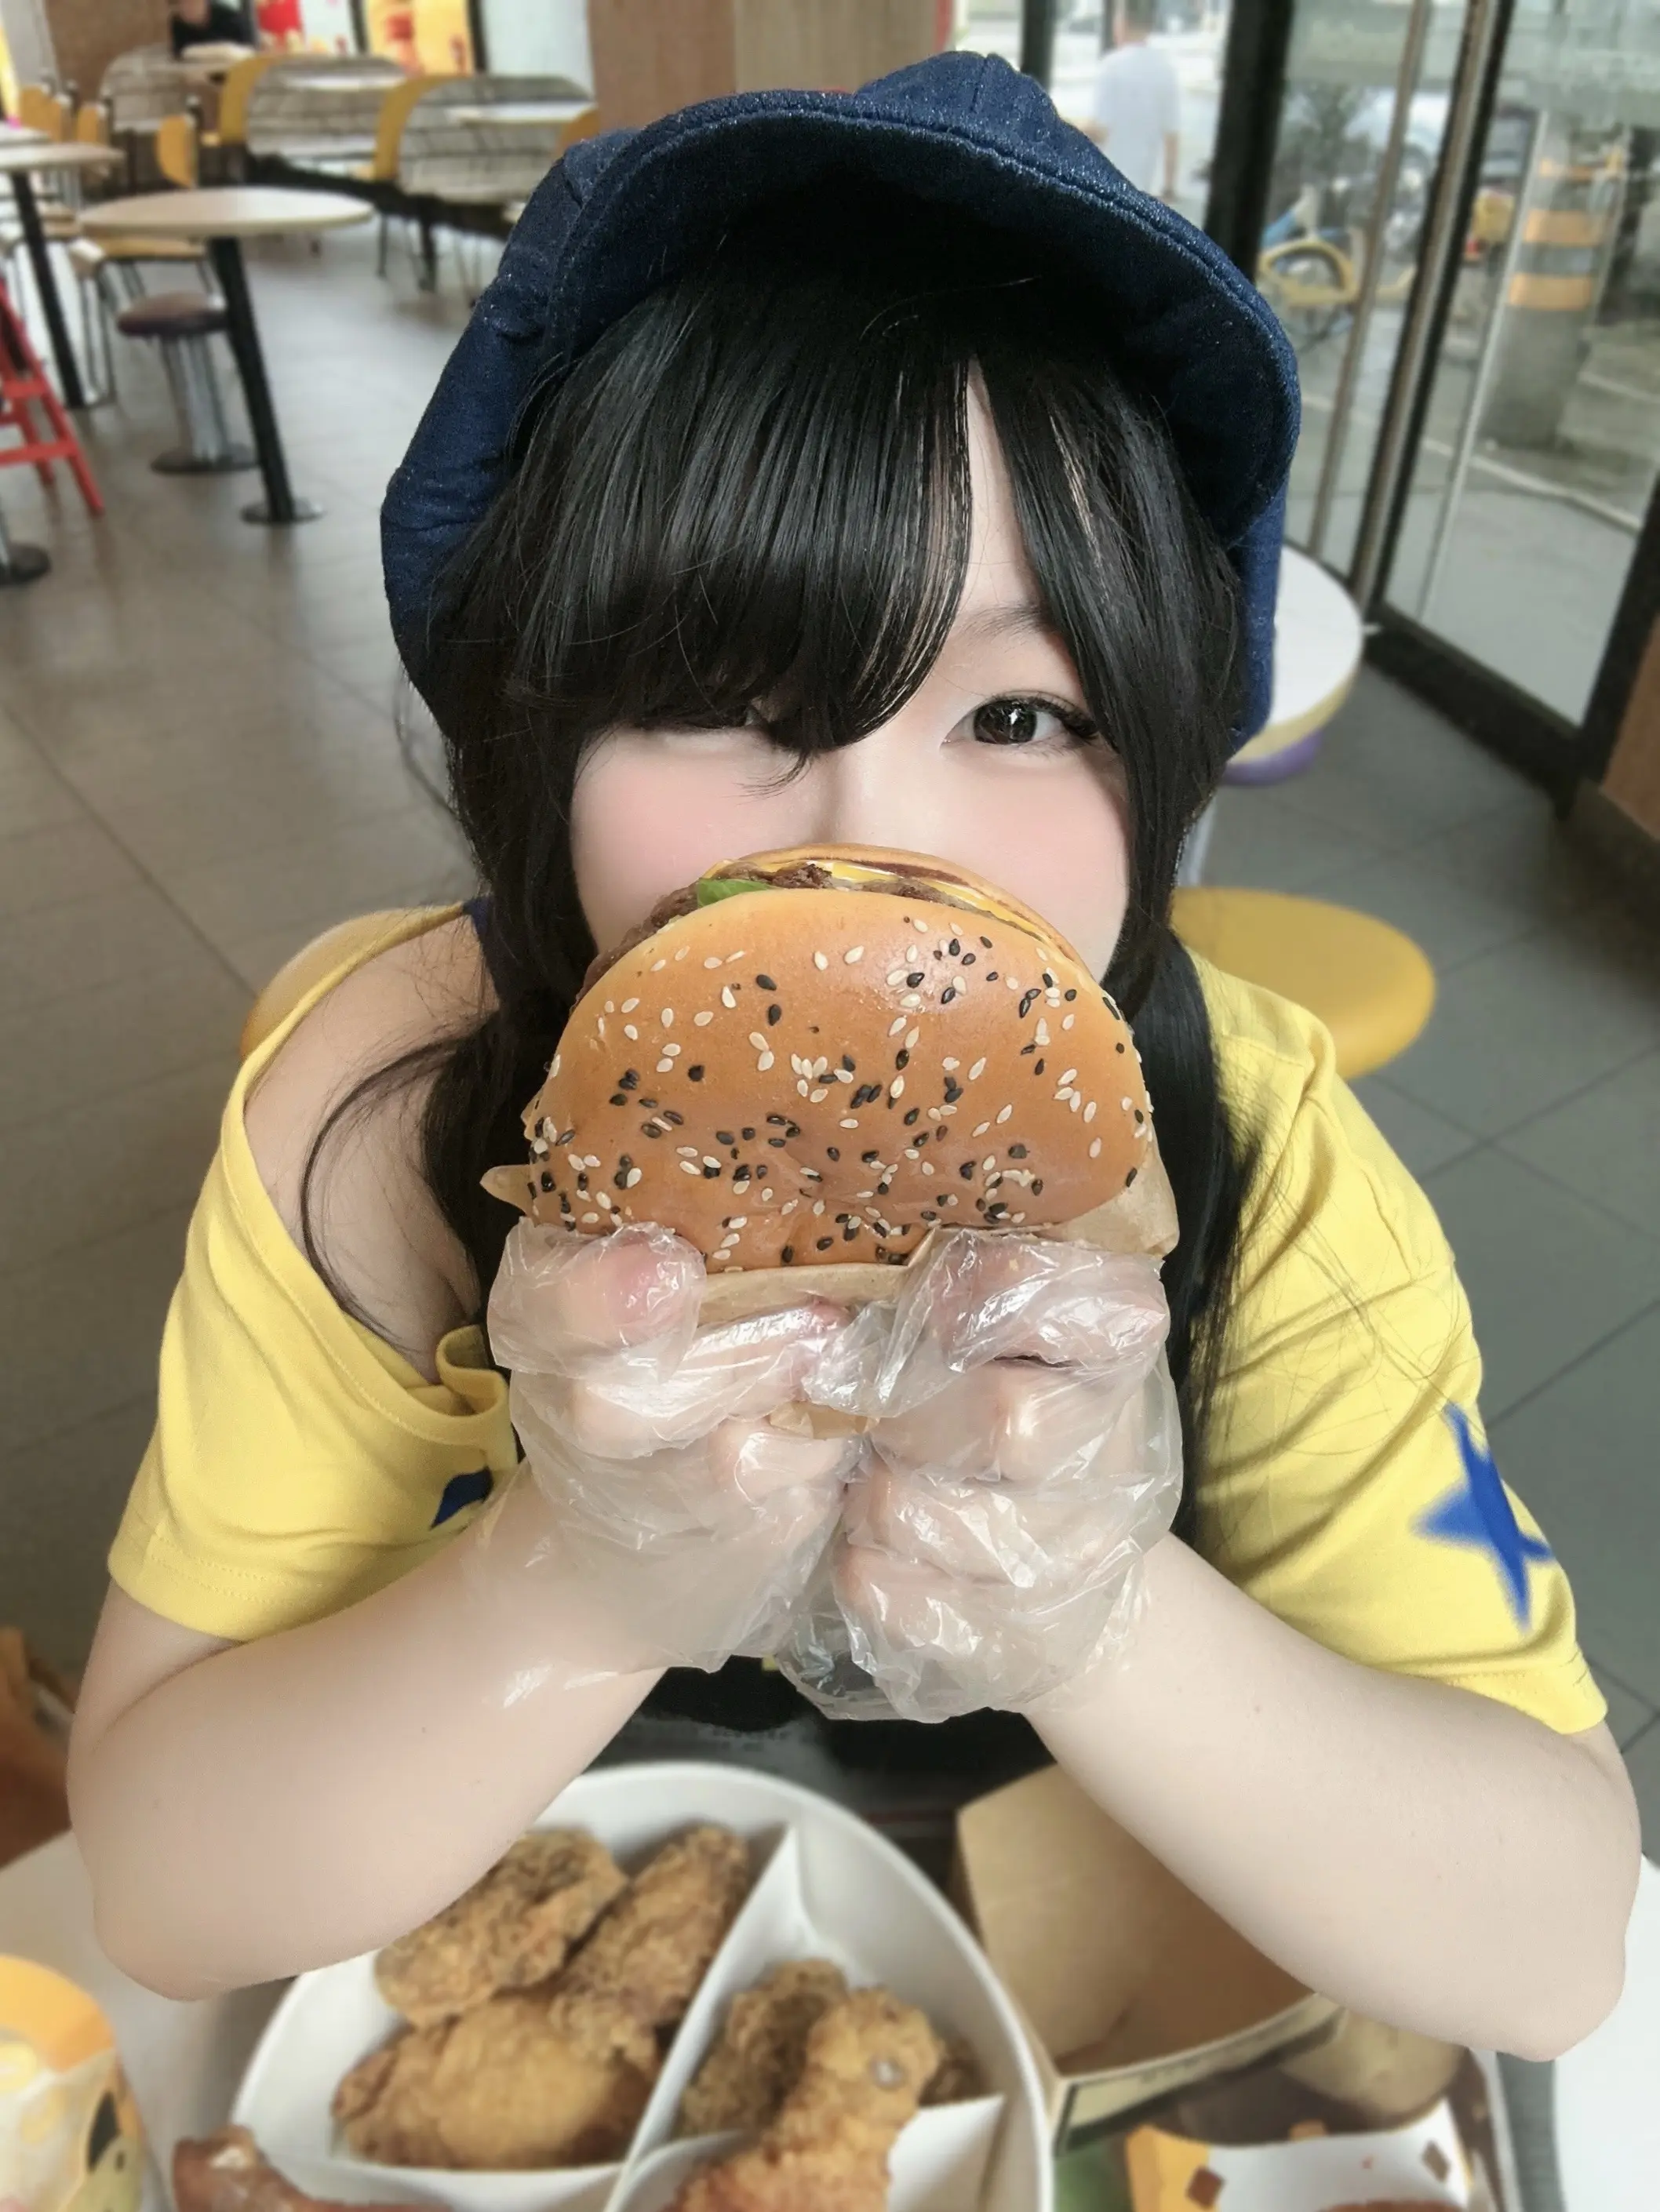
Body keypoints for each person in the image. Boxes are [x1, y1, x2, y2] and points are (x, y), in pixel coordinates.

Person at [69, 55, 1637, 2054]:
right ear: (539, 739)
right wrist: (575, 1574)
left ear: (1160, 764)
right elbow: (163, 1882)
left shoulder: (1258, 1150)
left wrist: (1088, 1597)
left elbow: (1550, 1948)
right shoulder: (371, 1125)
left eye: (1018, 717)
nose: (870, 846)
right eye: (723, 696)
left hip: (1066, 1947)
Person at [1087, 0, 1181, 200]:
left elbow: (1100, 131)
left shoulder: (1111, 66)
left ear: (1122, 21)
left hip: (1107, 187)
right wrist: (1169, 188)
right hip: (1141, 192)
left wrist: (1061, 121)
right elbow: (1172, 137)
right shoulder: (1165, 69)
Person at [167, 0, 253, 57]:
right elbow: (181, 53)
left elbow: (248, 52)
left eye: (193, 3)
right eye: (182, 4)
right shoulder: (179, 24)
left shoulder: (231, 19)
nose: (187, 8)